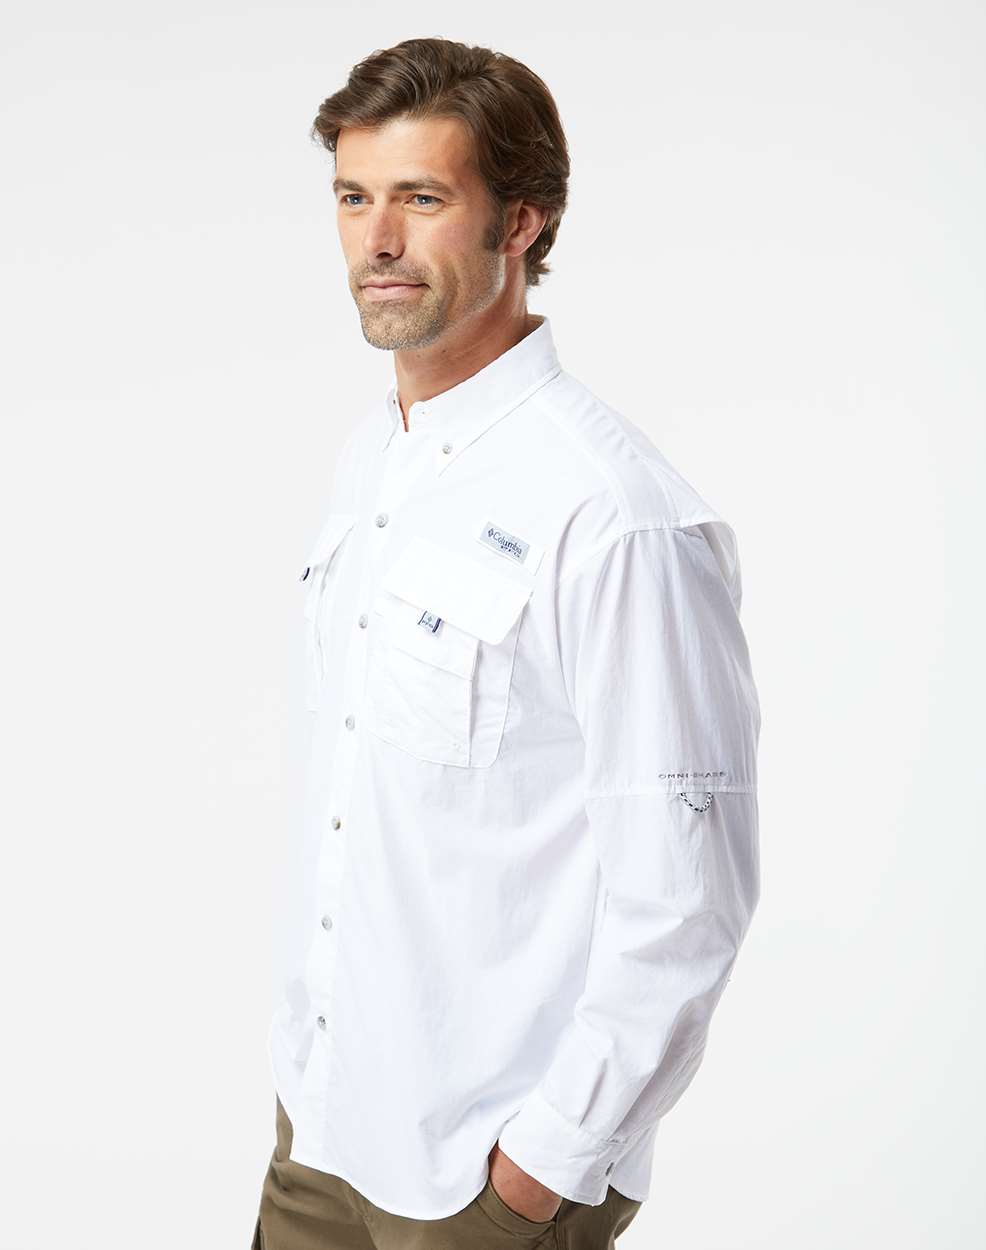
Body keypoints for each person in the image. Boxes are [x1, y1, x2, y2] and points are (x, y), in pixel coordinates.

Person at [252, 35, 761, 1250]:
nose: (377, 240)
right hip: (323, 1126)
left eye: (422, 198)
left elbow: (687, 902)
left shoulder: (616, 515)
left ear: (520, 222)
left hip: (482, 1175)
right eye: (353, 197)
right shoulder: (375, 456)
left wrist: (539, 1171)